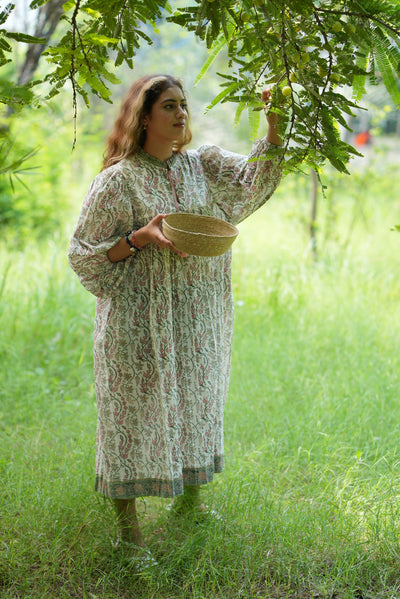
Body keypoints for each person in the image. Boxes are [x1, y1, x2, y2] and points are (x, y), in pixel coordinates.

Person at [68, 74, 283, 556]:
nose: (181, 112)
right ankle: (129, 536)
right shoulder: (117, 180)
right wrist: (139, 238)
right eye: (168, 105)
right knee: (129, 420)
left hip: (198, 320)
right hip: (138, 326)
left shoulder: (202, 166)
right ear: (144, 116)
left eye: (183, 104)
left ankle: (190, 506)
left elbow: (254, 179)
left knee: (196, 405)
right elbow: (84, 255)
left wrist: (273, 127)